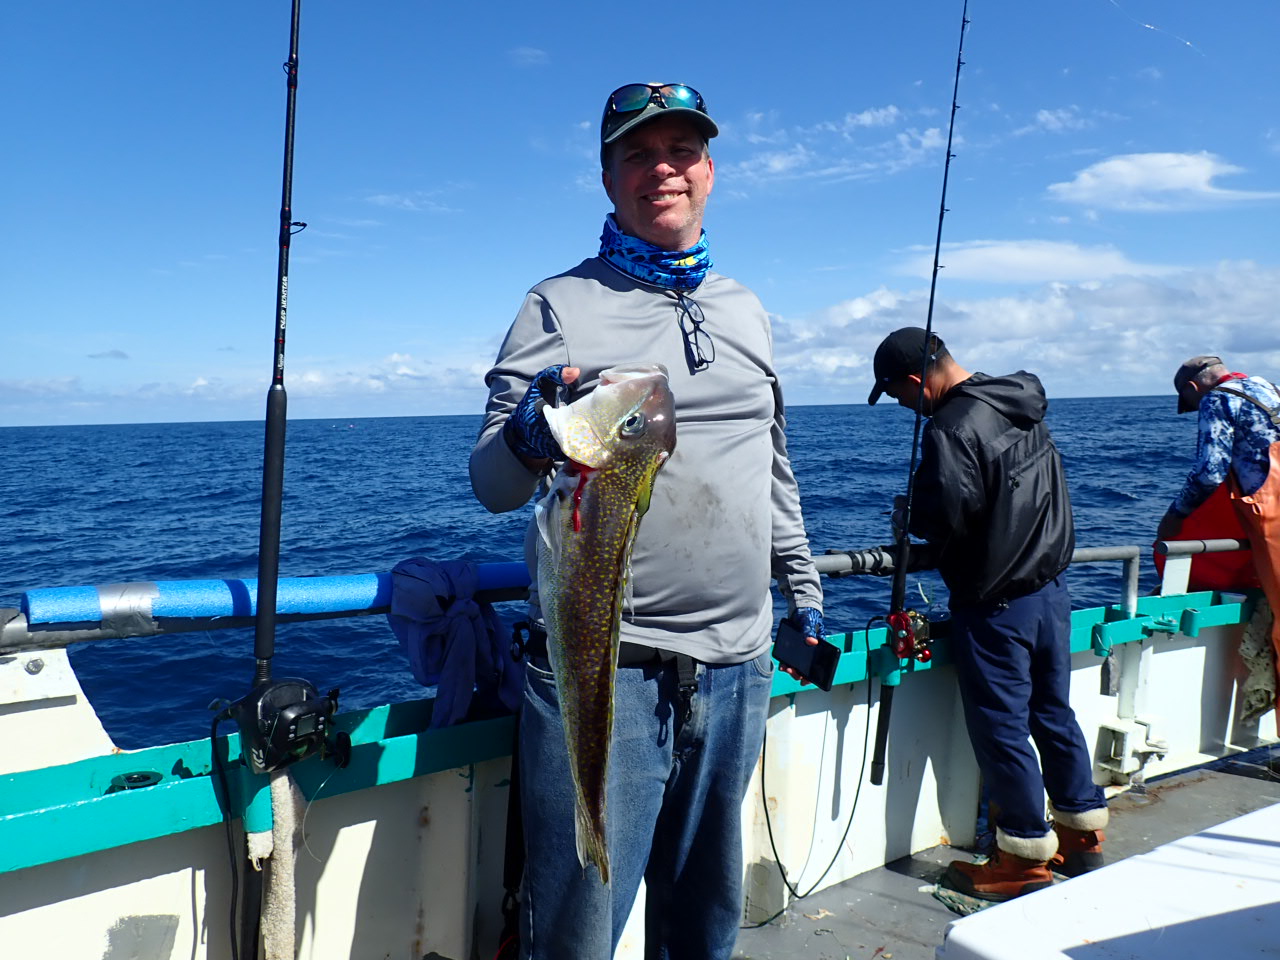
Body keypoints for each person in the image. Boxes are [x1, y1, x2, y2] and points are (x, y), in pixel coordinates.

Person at [469, 83, 825, 959]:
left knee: (704, 926)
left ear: (709, 170)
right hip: (606, 669)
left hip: (738, 669)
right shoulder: (558, 305)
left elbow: (770, 466)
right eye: (637, 154)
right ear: (606, 177)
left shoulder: (745, 308)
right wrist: (528, 434)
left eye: (680, 151)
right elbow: (490, 484)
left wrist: (806, 593)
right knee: (576, 927)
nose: (661, 169)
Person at [867, 327, 1108, 901]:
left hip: (997, 606)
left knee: (1002, 729)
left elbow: (950, 515)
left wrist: (911, 517)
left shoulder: (951, 426)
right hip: (1052, 594)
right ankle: (1082, 837)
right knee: (1053, 713)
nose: (907, 408)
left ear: (913, 380)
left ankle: (1023, 856)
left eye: (901, 397)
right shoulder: (1020, 402)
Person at [1157, 355, 1280, 722]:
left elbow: (1210, 472)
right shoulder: (1268, 388)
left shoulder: (1218, 399)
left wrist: (1175, 516)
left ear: (1194, 389)